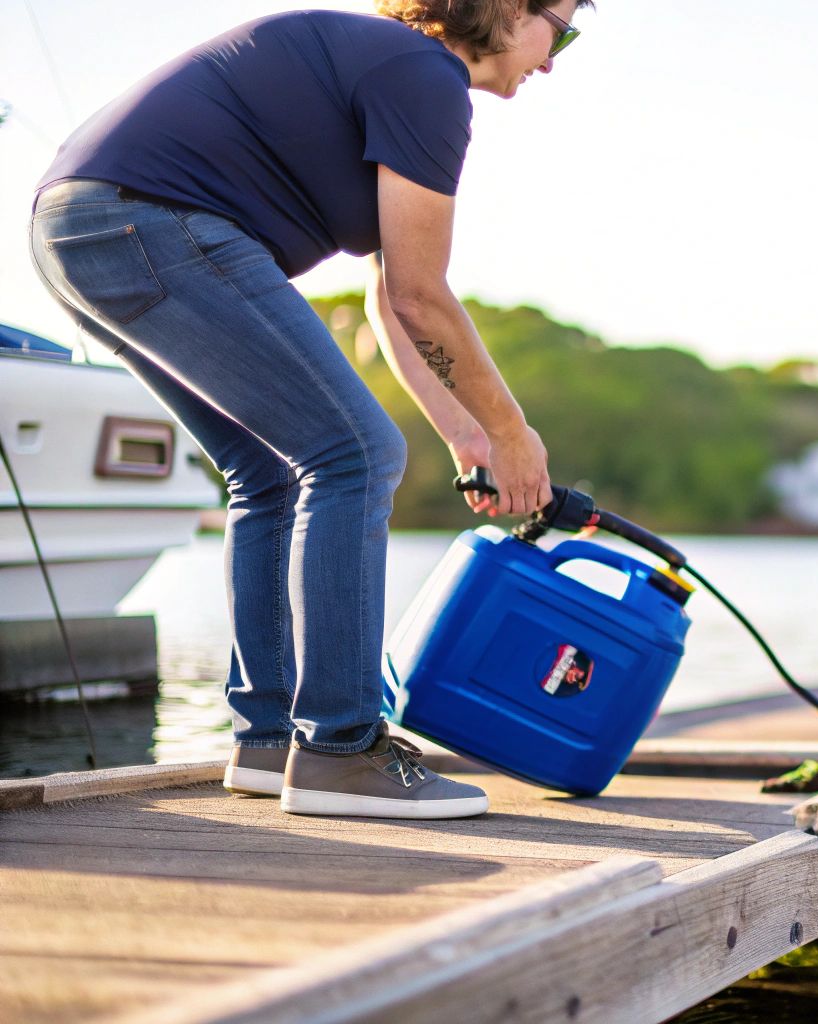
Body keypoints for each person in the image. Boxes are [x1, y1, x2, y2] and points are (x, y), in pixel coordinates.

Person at [28, 0, 589, 819]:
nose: (555, 58)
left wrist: (469, 435)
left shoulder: (385, 65)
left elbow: (392, 303)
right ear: (506, 6)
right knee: (354, 454)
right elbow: (423, 297)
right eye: (561, 28)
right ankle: (340, 748)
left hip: (79, 226)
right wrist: (514, 434)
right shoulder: (426, 76)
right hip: (148, 220)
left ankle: (269, 740)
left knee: (268, 471)